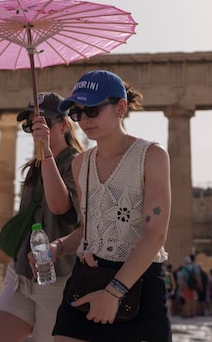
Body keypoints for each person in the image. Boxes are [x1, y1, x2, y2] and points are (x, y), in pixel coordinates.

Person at [47, 70, 172, 341]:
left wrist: (114, 292)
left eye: (92, 109)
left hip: (138, 282)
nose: (84, 120)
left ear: (121, 107)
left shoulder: (151, 155)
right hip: (87, 277)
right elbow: (89, 228)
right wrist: (58, 247)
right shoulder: (80, 163)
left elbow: (156, 234)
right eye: (77, 112)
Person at [0, 92, 84, 342]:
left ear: (63, 125)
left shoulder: (77, 164)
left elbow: (60, 208)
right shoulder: (33, 168)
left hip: (58, 280)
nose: (36, 130)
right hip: (21, 275)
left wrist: (46, 150)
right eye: (30, 125)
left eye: (43, 123)